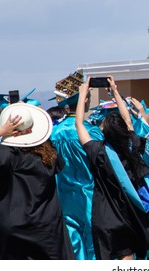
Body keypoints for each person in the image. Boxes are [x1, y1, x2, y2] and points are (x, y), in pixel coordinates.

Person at [75, 76, 149, 260]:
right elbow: (128, 121)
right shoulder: (133, 146)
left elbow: (79, 124)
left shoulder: (99, 152)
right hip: (130, 214)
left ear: (103, 130)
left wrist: (82, 95)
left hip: (106, 216)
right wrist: (115, 91)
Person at [0, 103, 74, 259]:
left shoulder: (8, 156)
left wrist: (1, 132)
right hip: (47, 228)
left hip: (12, 228)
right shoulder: (50, 155)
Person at [50, 72, 104, 260]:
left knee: (72, 247)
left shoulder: (52, 133)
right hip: (89, 196)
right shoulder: (91, 132)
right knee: (93, 247)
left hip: (62, 197)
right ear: (85, 98)